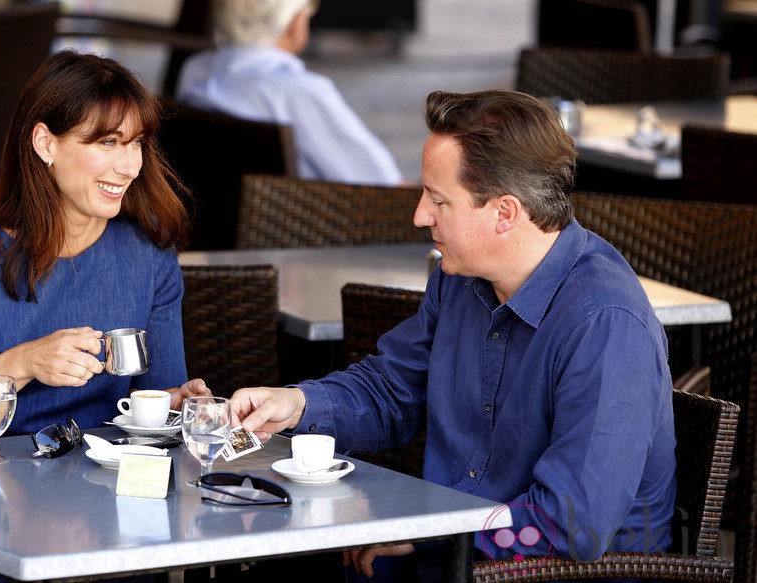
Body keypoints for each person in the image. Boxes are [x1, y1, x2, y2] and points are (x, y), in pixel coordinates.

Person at [230, 89, 676, 580]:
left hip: (546, 571)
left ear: (505, 213)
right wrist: (296, 404)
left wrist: (433, 531)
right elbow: (394, 389)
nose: (420, 215)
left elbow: (572, 523)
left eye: (438, 200)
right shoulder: (461, 276)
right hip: (450, 555)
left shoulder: (605, 324)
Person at [0, 51, 210, 581]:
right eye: (107, 143)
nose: (129, 165)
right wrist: (24, 362)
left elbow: (160, 403)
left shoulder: (149, 254)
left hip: (109, 512)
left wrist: (182, 408)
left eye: (136, 143)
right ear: (45, 143)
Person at [175, 0, 404, 186]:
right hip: (308, 231)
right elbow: (381, 182)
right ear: (294, 22)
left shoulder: (195, 71)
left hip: (212, 221)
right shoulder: (301, 92)